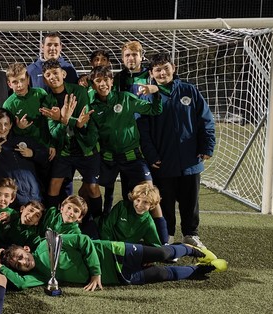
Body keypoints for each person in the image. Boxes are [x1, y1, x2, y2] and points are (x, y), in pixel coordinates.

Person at [137, 52, 216, 248]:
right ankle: (168, 235)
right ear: (151, 73)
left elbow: (205, 120)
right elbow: (142, 131)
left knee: (190, 201)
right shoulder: (148, 97)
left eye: (165, 68)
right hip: (163, 160)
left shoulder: (189, 90)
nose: (162, 73)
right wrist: (151, 154)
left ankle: (190, 234)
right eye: (158, 70)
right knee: (166, 201)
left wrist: (207, 145)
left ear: (174, 68)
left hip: (190, 159)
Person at [0, 233, 226, 291]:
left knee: (162, 254)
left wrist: (95, 273)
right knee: (161, 275)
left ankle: (191, 249)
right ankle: (196, 270)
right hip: (116, 277)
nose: (22, 262)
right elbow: (23, 284)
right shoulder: (40, 276)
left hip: (115, 252)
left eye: (20, 257)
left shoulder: (49, 241)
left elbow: (85, 241)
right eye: (18, 264)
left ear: (26, 249)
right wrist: (1, 265)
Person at [85, 66, 162, 217]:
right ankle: (96, 222)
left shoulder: (125, 98)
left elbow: (154, 110)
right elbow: (91, 138)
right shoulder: (91, 107)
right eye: (98, 81)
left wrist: (156, 92)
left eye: (106, 80)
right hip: (108, 159)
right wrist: (81, 125)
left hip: (131, 156)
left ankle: (163, 236)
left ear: (112, 82)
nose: (103, 84)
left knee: (149, 191)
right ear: (93, 85)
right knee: (90, 187)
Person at [39, 60, 100, 221]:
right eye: (48, 75)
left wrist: (64, 119)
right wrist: (63, 121)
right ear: (45, 80)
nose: (53, 77)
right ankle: (51, 221)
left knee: (92, 188)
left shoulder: (79, 92)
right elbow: (54, 133)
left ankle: (96, 222)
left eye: (55, 72)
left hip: (86, 148)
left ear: (63, 74)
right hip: (64, 150)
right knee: (54, 186)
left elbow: (83, 121)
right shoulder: (47, 101)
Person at [0, 108, 48, 208]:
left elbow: (46, 158)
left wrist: (33, 153)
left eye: (6, 124)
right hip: (7, 205)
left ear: (11, 125)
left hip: (33, 199)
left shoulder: (23, 140)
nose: (3, 128)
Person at [97, 183, 168, 247]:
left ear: (151, 205)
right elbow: (105, 227)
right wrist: (109, 246)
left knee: (162, 253)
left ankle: (177, 248)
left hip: (125, 248)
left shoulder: (148, 222)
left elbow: (155, 245)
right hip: (104, 238)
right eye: (138, 200)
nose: (139, 205)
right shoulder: (122, 206)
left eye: (145, 202)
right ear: (133, 198)